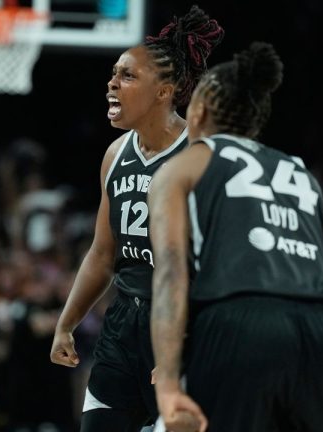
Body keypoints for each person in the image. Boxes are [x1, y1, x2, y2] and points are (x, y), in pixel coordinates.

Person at [148, 42, 323, 432]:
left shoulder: (182, 167)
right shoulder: (302, 175)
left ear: (199, 110)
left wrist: (169, 386)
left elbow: (170, 273)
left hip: (242, 328)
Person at [49, 5, 224, 431]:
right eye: (113, 73)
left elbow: (219, 263)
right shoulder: (115, 155)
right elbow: (102, 253)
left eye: (128, 76)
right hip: (124, 323)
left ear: (165, 91)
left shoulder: (202, 155)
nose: (112, 83)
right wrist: (66, 323)